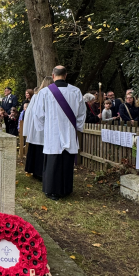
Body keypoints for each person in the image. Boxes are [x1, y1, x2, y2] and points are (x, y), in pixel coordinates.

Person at [35, 66, 86, 200]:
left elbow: (38, 114)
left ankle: (52, 190)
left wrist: (41, 129)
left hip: (52, 134)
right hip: (69, 132)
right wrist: (78, 127)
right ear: (66, 75)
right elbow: (81, 113)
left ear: (53, 75)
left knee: (53, 163)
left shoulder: (45, 92)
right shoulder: (75, 91)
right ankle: (66, 189)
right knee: (66, 162)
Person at [23, 76, 53, 180]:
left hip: (36, 128)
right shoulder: (40, 95)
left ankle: (35, 171)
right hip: (40, 126)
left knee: (37, 149)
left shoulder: (38, 95)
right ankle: (39, 172)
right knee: (40, 149)